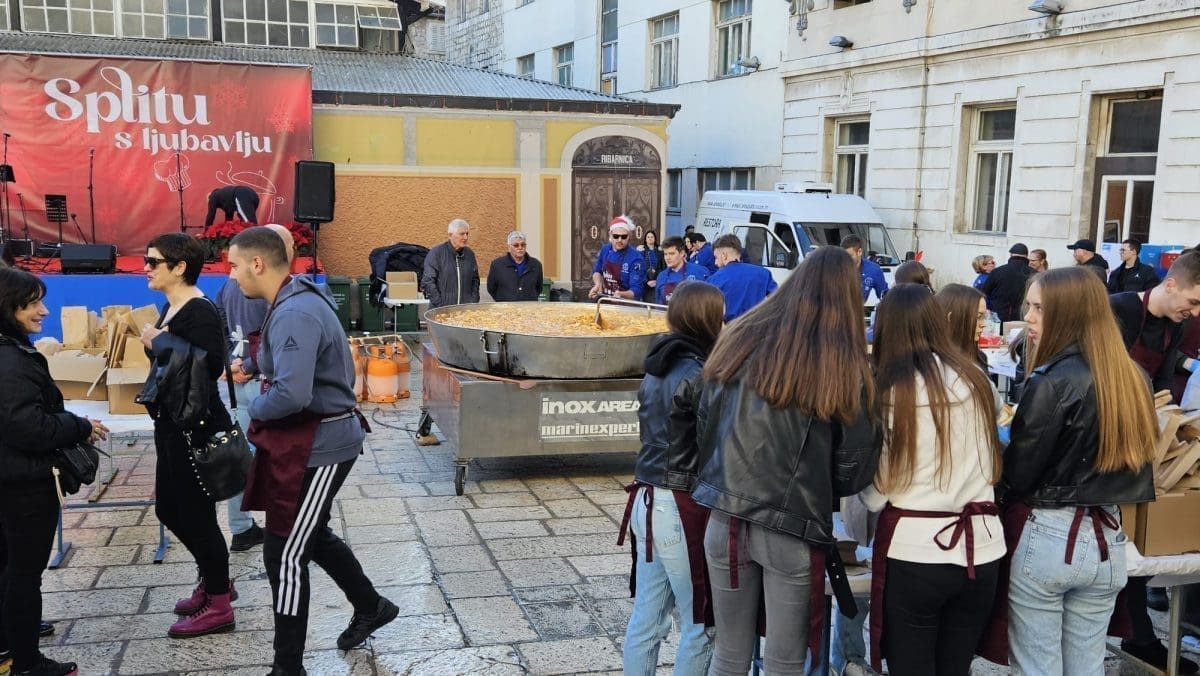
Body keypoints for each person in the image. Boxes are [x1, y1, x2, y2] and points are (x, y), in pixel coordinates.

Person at [693, 246, 882, 675]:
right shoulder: (841, 363)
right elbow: (852, 469)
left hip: (725, 518)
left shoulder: (739, 336)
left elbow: (706, 426)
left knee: (729, 654)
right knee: (785, 662)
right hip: (791, 525)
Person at [228, 227, 397, 676]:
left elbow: (291, 394)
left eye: (234, 265)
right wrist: (251, 365)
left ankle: (287, 668)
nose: (232, 275)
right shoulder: (291, 299)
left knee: (284, 554)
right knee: (312, 532)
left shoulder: (295, 311)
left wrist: (253, 410)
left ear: (257, 264)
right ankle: (371, 606)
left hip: (323, 446)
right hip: (313, 440)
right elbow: (285, 358)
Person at [1003, 266, 1157, 675]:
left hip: (1052, 534)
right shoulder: (1134, 378)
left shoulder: (1053, 379)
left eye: (1039, 308)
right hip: (1109, 536)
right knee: (1087, 666)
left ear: (1069, 313)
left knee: (1038, 667)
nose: (1028, 317)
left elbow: (1019, 474)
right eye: (1029, 306)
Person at [861, 284, 1005, 676]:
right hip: (983, 549)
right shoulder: (977, 380)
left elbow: (878, 493)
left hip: (916, 552)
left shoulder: (890, 394)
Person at [0, 268, 107, 676]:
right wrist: (79, 426)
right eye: (32, 304)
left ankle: (10, 640)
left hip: (11, 477)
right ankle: (27, 662)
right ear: (8, 308)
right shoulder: (11, 361)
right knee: (25, 573)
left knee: (9, 567)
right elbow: (28, 427)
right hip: (24, 483)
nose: (43, 311)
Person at [620, 280, 725, 676]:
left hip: (647, 499)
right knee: (702, 625)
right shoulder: (699, 374)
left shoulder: (658, 367)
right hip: (679, 506)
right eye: (720, 315)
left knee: (647, 621)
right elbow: (713, 448)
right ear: (706, 320)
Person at [138, 233, 237, 638]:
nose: (146, 268)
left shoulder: (200, 310)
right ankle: (214, 579)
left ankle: (219, 602)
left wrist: (159, 340)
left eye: (153, 262)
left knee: (194, 514)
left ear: (179, 267)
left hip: (195, 426)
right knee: (169, 509)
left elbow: (209, 365)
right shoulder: (173, 305)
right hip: (172, 423)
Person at [1109, 251, 1200, 673]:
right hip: (1107, 443)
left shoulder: (1174, 326)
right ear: (1171, 285)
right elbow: (1104, 375)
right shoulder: (1121, 307)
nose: (1194, 313)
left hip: (1144, 441)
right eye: (1193, 302)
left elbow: (1162, 387)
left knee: (1140, 552)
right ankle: (1135, 634)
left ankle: (1138, 632)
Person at [213, 224, 295, 554]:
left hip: (235, 378)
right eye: (289, 246)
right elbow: (276, 341)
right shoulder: (273, 289)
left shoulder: (230, 284)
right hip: (261, 380)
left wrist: (228, 362)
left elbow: (218, 323)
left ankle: (241, 527)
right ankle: (283, 526)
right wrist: (246, 365)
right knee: (277, 458)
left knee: (241, 456)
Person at [706, 234, 777, 321]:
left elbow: (708, 311)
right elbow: (777, 299)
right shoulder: (763, 273)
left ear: (724, 255)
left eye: (716, 257)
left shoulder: (713, 279)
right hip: (757, 325)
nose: (715, 263)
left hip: (728, 327)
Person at [422, 219, 479, 308]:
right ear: (450, 235)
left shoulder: (469, 254)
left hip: (465, 311)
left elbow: (475, 280)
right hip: (441, 311)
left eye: (467, 234)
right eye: (462, 234)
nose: (465, 237)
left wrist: (473, 302)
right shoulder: (436, 253)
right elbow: (428, 282)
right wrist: (440, 306)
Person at [935, 283, 989, 370]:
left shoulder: (979, 358)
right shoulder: (932, 364)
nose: (983, 324)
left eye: (984, 317)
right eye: (979, 317)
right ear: (951, 318)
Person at [590, 215, 645, 300]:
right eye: (616, 236)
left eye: (623, 237)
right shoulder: (605, 249)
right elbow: (597, 271)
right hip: (605, 300)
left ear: (629, 236)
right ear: (610, 234)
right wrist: (598, 284)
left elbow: (637, 290)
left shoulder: (636, 258)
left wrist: (622, 294)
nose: (619, 240)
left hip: (625, 304)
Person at [980, 243, 1034, 323]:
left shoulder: (997, 272)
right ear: (1026, 256)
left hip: (999, 318)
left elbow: (983, 293)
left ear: (1011, 255)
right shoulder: (1034, 274)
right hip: (1024, 318)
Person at [486, 231, 543, 302]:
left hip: (528, 306)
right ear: (509, 247)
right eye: (516, 245)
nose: (520, 248)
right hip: (505, 306)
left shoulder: (536, 265)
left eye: (523, 245)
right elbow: (491, 288)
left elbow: (539, 287)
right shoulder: (497, 265)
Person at [655, 236, 708, 305]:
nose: (667, 258)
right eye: (665, 254)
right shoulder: (661, 276)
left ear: (682, 253)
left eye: (672, 254)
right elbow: (658, 306)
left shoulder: (699, 272)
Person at [841, 235, 889, 302]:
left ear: (859, 252)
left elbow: (885, 297)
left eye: (849, 256)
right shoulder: (835, 268)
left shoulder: (873, 270)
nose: (846, 259)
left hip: (858, 307)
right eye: (843, 255)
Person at [639, 231, 664, 304]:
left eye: (652, 237)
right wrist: (646, 281)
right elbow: (640, 269)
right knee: (646, 304)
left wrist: (657, 280)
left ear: (655, 239)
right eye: (648, 237)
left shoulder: (660, 252)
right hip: (645, 283)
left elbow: (662, 267)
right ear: (645, 239)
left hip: (657, 282)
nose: (650, 238)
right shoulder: (641, 252)